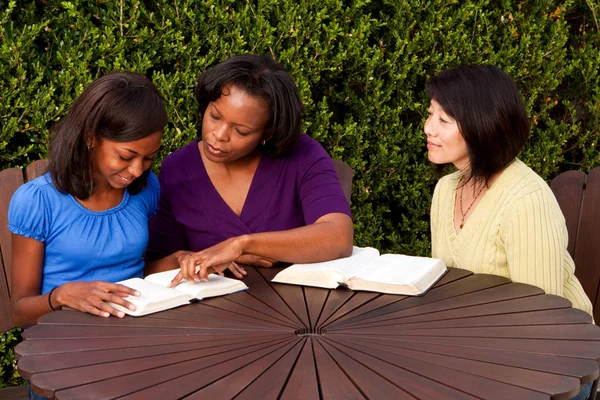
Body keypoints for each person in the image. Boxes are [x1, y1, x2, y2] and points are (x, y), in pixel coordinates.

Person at [426, 64, 594, 400]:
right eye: (430, 114)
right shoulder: (445, 190)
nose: (428, 128)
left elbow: (540, 326)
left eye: (443, 120)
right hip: (478, 354)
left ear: (480, 124)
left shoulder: (526, 200)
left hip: (555, 367)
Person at [145, 54, 353, 283]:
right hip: (212, 313)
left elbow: (339, 237)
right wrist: (191, 259)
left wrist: (241, 245)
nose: (219, 135)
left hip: (300, 311)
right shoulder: (178, 169)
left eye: (241, 131)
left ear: (267, 132)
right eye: (215, 116)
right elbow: (153, 267)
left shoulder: (303, 155)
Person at [9, 72, 167, 329]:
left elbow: (136, 270)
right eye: (126, 156)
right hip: (65, 338)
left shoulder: (145, 189)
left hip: (133, 330)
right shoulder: (38, 201)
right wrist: (60, 296)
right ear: (91, 137)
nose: (137, 170)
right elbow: (19, 313)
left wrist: (181, 261)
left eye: (149, 158)